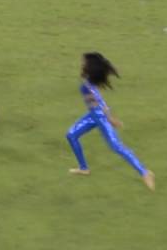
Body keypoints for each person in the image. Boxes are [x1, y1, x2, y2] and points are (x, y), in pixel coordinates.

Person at [66, 53, 156, 190]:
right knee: (71, 135)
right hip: (93, 115)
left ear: (89, 69)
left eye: (84, 63)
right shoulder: (88, 83)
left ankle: (145, 172)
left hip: (100, 117)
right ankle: (84, 168)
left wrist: (109, 118)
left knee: (116, 146)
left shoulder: (87, 86)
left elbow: (99, 102)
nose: (81, 64)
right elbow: (95, 101)